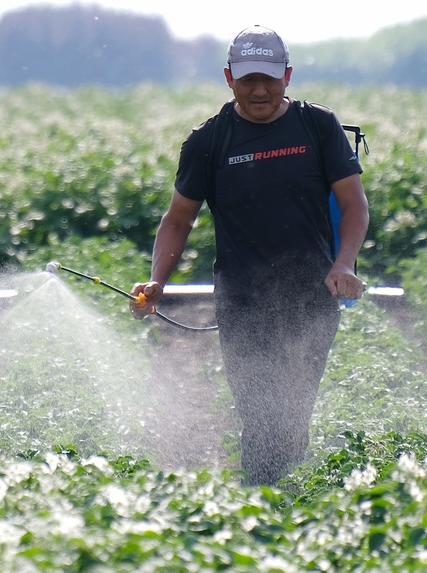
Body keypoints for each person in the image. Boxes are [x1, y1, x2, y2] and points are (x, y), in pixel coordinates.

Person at [130, 25, 369, 486]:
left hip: (310, 296)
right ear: (228, 78)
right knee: (260, 417)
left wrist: (343, 264)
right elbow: (178, 219)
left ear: (288, 75)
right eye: (247, 80)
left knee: (293, 414)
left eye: (269, 78)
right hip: (241, 300)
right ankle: (262, 511)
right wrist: (157, 279)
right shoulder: (209, 141)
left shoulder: (317, 127)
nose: (259, 89)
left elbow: (354, 203)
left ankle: (279, 509)